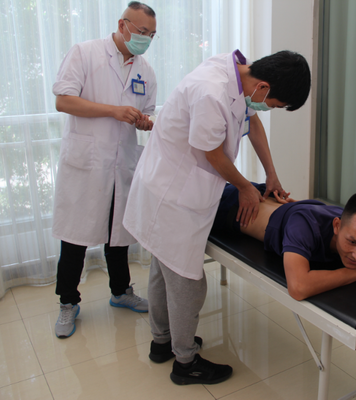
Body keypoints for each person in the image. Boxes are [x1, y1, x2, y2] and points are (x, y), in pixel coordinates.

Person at [123, 49, 311, 385]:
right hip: (173, 194)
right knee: (187, 283)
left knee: (162, 270)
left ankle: (162, 343)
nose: (269, 109)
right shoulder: (211, 92)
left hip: (173, 185)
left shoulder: (240, 75)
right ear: (264, 88)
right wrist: (245, 187)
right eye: (275, 104)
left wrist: (271, 175)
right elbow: (211, 154)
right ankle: (185, 362)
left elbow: (252, 124)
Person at [51, 1, 157, 339]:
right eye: (142, 31)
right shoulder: (85, 53)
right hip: (87, 163)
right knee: (75, 236)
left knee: (118, 234)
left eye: (152, 34)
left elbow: (146, 113)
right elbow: (63, 100)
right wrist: (113, 110)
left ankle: (121, 291)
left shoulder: (145, 71)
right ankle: (68, 302)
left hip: (121, 163)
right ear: (123, 25)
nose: (146, 39)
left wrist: (143, 121)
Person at [213, 183, 356, 300]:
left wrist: (297, 205)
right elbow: (298, 288)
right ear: (337, 226)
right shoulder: (304, 227)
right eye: (352, 242)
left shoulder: (351, 223)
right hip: (225, 204)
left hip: (264, 198)